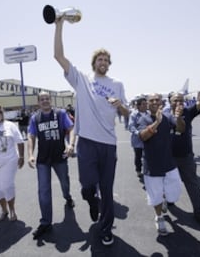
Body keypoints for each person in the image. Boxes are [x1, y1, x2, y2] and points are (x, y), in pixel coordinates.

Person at [54, 17, 129, 246]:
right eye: (100, 59)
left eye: (106, 59)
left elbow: (127, 114)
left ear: (110, 63)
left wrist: (120, 105)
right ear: (94, 62)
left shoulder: (117, 83)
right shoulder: (82, 80)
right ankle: (90, 200)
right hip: (86, 142)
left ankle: (106, 229)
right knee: (87, 186)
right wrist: (59, 25)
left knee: (107, 189)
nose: (103, 62)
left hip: (108, 144)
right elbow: (58, 56)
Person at [27, 91, 76, 239]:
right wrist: (30, 154)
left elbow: (71, 129)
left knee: (64, 182)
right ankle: (46, 222)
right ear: (38, 102)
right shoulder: (35, 118)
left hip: (59, 157)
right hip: (43, 159)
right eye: (42, 99)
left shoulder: (60, 114)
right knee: (43, 191)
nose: (45, 101)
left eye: (47, 98)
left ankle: (67, 196)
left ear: (51, 100)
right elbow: (31, 136)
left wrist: (71, 145)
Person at [164, 76, 200, 222]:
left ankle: (198, 210)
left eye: (181, 100)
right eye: (175, 100)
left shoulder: (188, 112)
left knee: (192, 184)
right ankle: (169, 201)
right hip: (168, 158)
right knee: (168, 184)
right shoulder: (163, 116)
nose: (179, 103)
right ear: (169, 102)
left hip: (186, 157)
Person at [139, 93, 183, 236]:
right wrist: (156, 122)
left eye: (157, 100)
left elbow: (181, 129)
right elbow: (143, 136)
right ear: (147, 103)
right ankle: (159, 217)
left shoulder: (169, 117)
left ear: (161, 102)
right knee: (155, 196)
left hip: (169, 163)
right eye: (151, 100)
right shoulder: (143, 118)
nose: (154, 102)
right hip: (152, 166)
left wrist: (178, 117)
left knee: (173, 195)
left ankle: (164, 199)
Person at [128, 96, 148, 178]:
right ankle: (139, 170)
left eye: (146, 104)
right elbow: (131, 126)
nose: (145, 105)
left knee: (148, 155)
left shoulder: (149, 113)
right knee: (138, 156)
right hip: (138, 140)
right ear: (139, 106)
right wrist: (138, 133)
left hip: (148, 138)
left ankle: (147, 170)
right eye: (143, 104)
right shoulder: (134, 115)